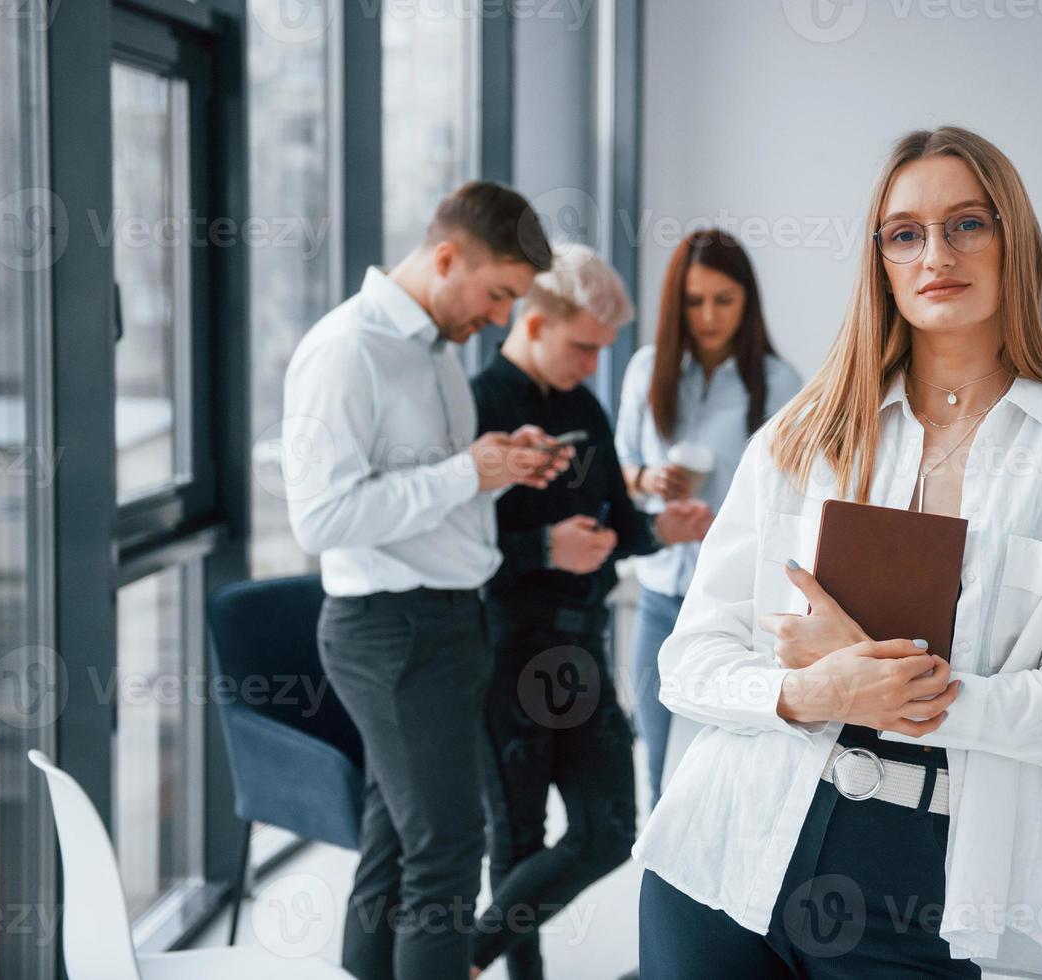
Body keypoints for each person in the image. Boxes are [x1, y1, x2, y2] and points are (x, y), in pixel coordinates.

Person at [632, 126, 1042, 979]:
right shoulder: (802, 436)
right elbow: (689, 662)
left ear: (1013, 238)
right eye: (905, 233)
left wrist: (898, 693)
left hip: (923, 891)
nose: (936, 252)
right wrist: (811, 690)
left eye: (967, 224)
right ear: (881, 262)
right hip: (723, 851)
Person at [283, 181, 576, 980]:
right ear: (446, 258)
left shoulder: (438, 355)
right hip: (393, 633)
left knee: (397, 839)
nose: (500, 318)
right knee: (448, 850)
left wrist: (497, 464)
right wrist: (460, 475)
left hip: (447, 625)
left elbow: (433, 488)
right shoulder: (347, 349)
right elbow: (318, 520)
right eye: (497, 294)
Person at [467, 243, 712, 980]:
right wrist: (543, 546)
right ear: (533, 320)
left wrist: (656, 530)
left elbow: (610, 526)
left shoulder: (584, 405)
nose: (591, 363)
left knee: (609, 831)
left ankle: (466, 957)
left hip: (582, 648)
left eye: (603, 350)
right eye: (582, 347)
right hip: (504, 645)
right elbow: (452, 548)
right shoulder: (479, 405)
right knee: (516, 842)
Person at [613, 229, 802, 808]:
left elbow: (791, 502)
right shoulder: (647, 371)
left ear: (747, 301)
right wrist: (648, 481)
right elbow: (618, 466)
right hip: (660, 598)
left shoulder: (778, 385)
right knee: (657, 773)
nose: (709, 315)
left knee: (722, 775)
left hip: (735, 607)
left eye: (724, 299)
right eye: (695, 302)